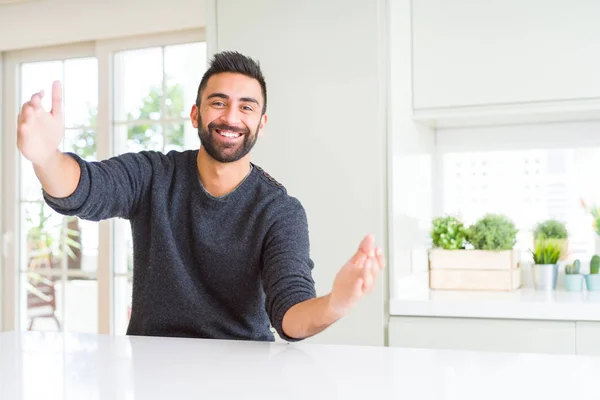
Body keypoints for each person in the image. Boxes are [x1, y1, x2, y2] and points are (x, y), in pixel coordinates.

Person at [16, 51, 385, 342]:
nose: (231, 117)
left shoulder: (279, 211)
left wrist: (335, 304)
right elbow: (85, 188)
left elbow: (289, 312)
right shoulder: (153, 175)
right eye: (218, 102)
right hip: (152, 367)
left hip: (243, 371)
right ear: (196, 114)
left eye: (246, 107)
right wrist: (46, 157)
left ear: (261, 123)